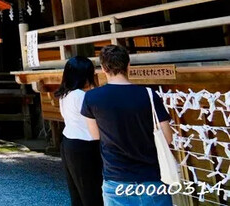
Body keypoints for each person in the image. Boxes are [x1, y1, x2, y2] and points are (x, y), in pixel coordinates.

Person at [81, 45, 174, 205]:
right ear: (128, 65)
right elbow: (168, 137)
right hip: (152, 177)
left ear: (103, 68)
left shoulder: (91, 98)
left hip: (116, 178)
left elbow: (95, 135)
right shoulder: (149, 95)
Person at [56, 56, 102, 206]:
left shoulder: (65, 94)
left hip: (69, 142)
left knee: (77, 191)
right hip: (86, 145)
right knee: (92, 191)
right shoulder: (82, 96)